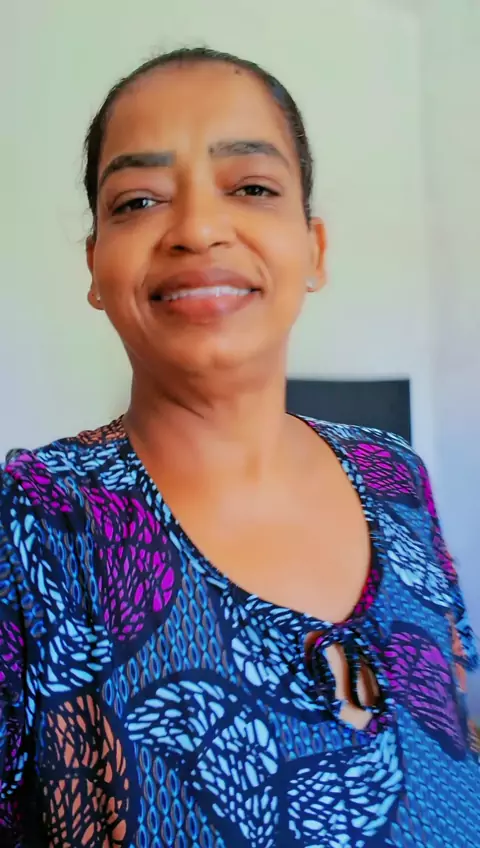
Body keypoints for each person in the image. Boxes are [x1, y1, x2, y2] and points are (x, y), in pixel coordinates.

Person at [0, 47, 478, 848]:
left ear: (314, 249)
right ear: (95, 266)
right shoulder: (36, 524)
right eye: (138, 201)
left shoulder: (394, 474)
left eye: (252, 188)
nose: (196, 229)